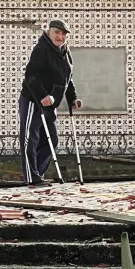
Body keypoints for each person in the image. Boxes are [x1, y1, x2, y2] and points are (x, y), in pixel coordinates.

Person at [19, 19, 82, 186]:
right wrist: (42, 96)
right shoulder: (41, 49)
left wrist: (72, 98)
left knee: (51, 140)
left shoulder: (65, 51)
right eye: (57, 32)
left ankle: (37, 174)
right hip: (33, 100)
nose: (60, 37)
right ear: (49, 32)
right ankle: (32, 177)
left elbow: (67, 78)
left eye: (63, 34)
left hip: (51, 103)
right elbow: (30, 76)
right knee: (30, 139)